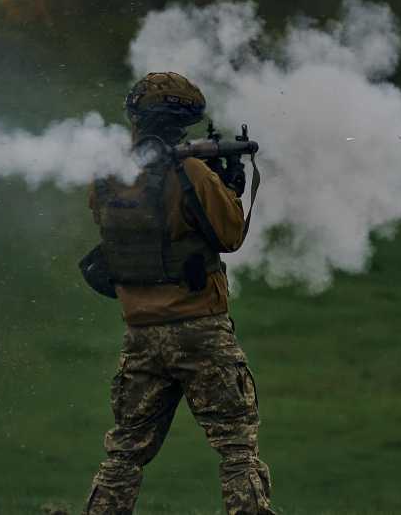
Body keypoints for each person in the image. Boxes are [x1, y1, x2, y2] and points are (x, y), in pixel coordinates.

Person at [82, 72, 274, 514]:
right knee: (237, 448)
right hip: (199, 329)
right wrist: (229, 186)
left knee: (125, 454)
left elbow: (115, 223)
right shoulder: (189, 172)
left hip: (141, 333)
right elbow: (228, 235)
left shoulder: (108, 175)